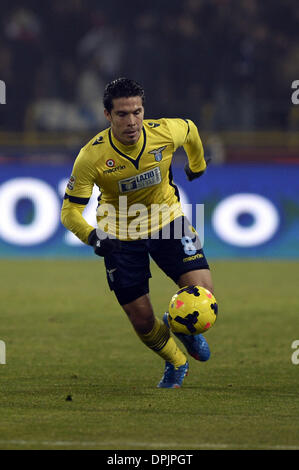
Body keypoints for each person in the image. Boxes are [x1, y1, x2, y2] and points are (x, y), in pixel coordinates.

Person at [61, 77, 214, 388]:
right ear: (107, 115)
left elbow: (192, 129)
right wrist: (93, 237)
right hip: (120, 236)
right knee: (142, 320)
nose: (131, 121)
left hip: (167, 220)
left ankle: (183, 325)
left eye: (137, 112)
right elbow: (69, 212)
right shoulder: (91, 157)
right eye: (122, 114)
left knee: (202, 295)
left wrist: (197, 165)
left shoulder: (165, 132)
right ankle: (176, 361)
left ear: (144, 110)